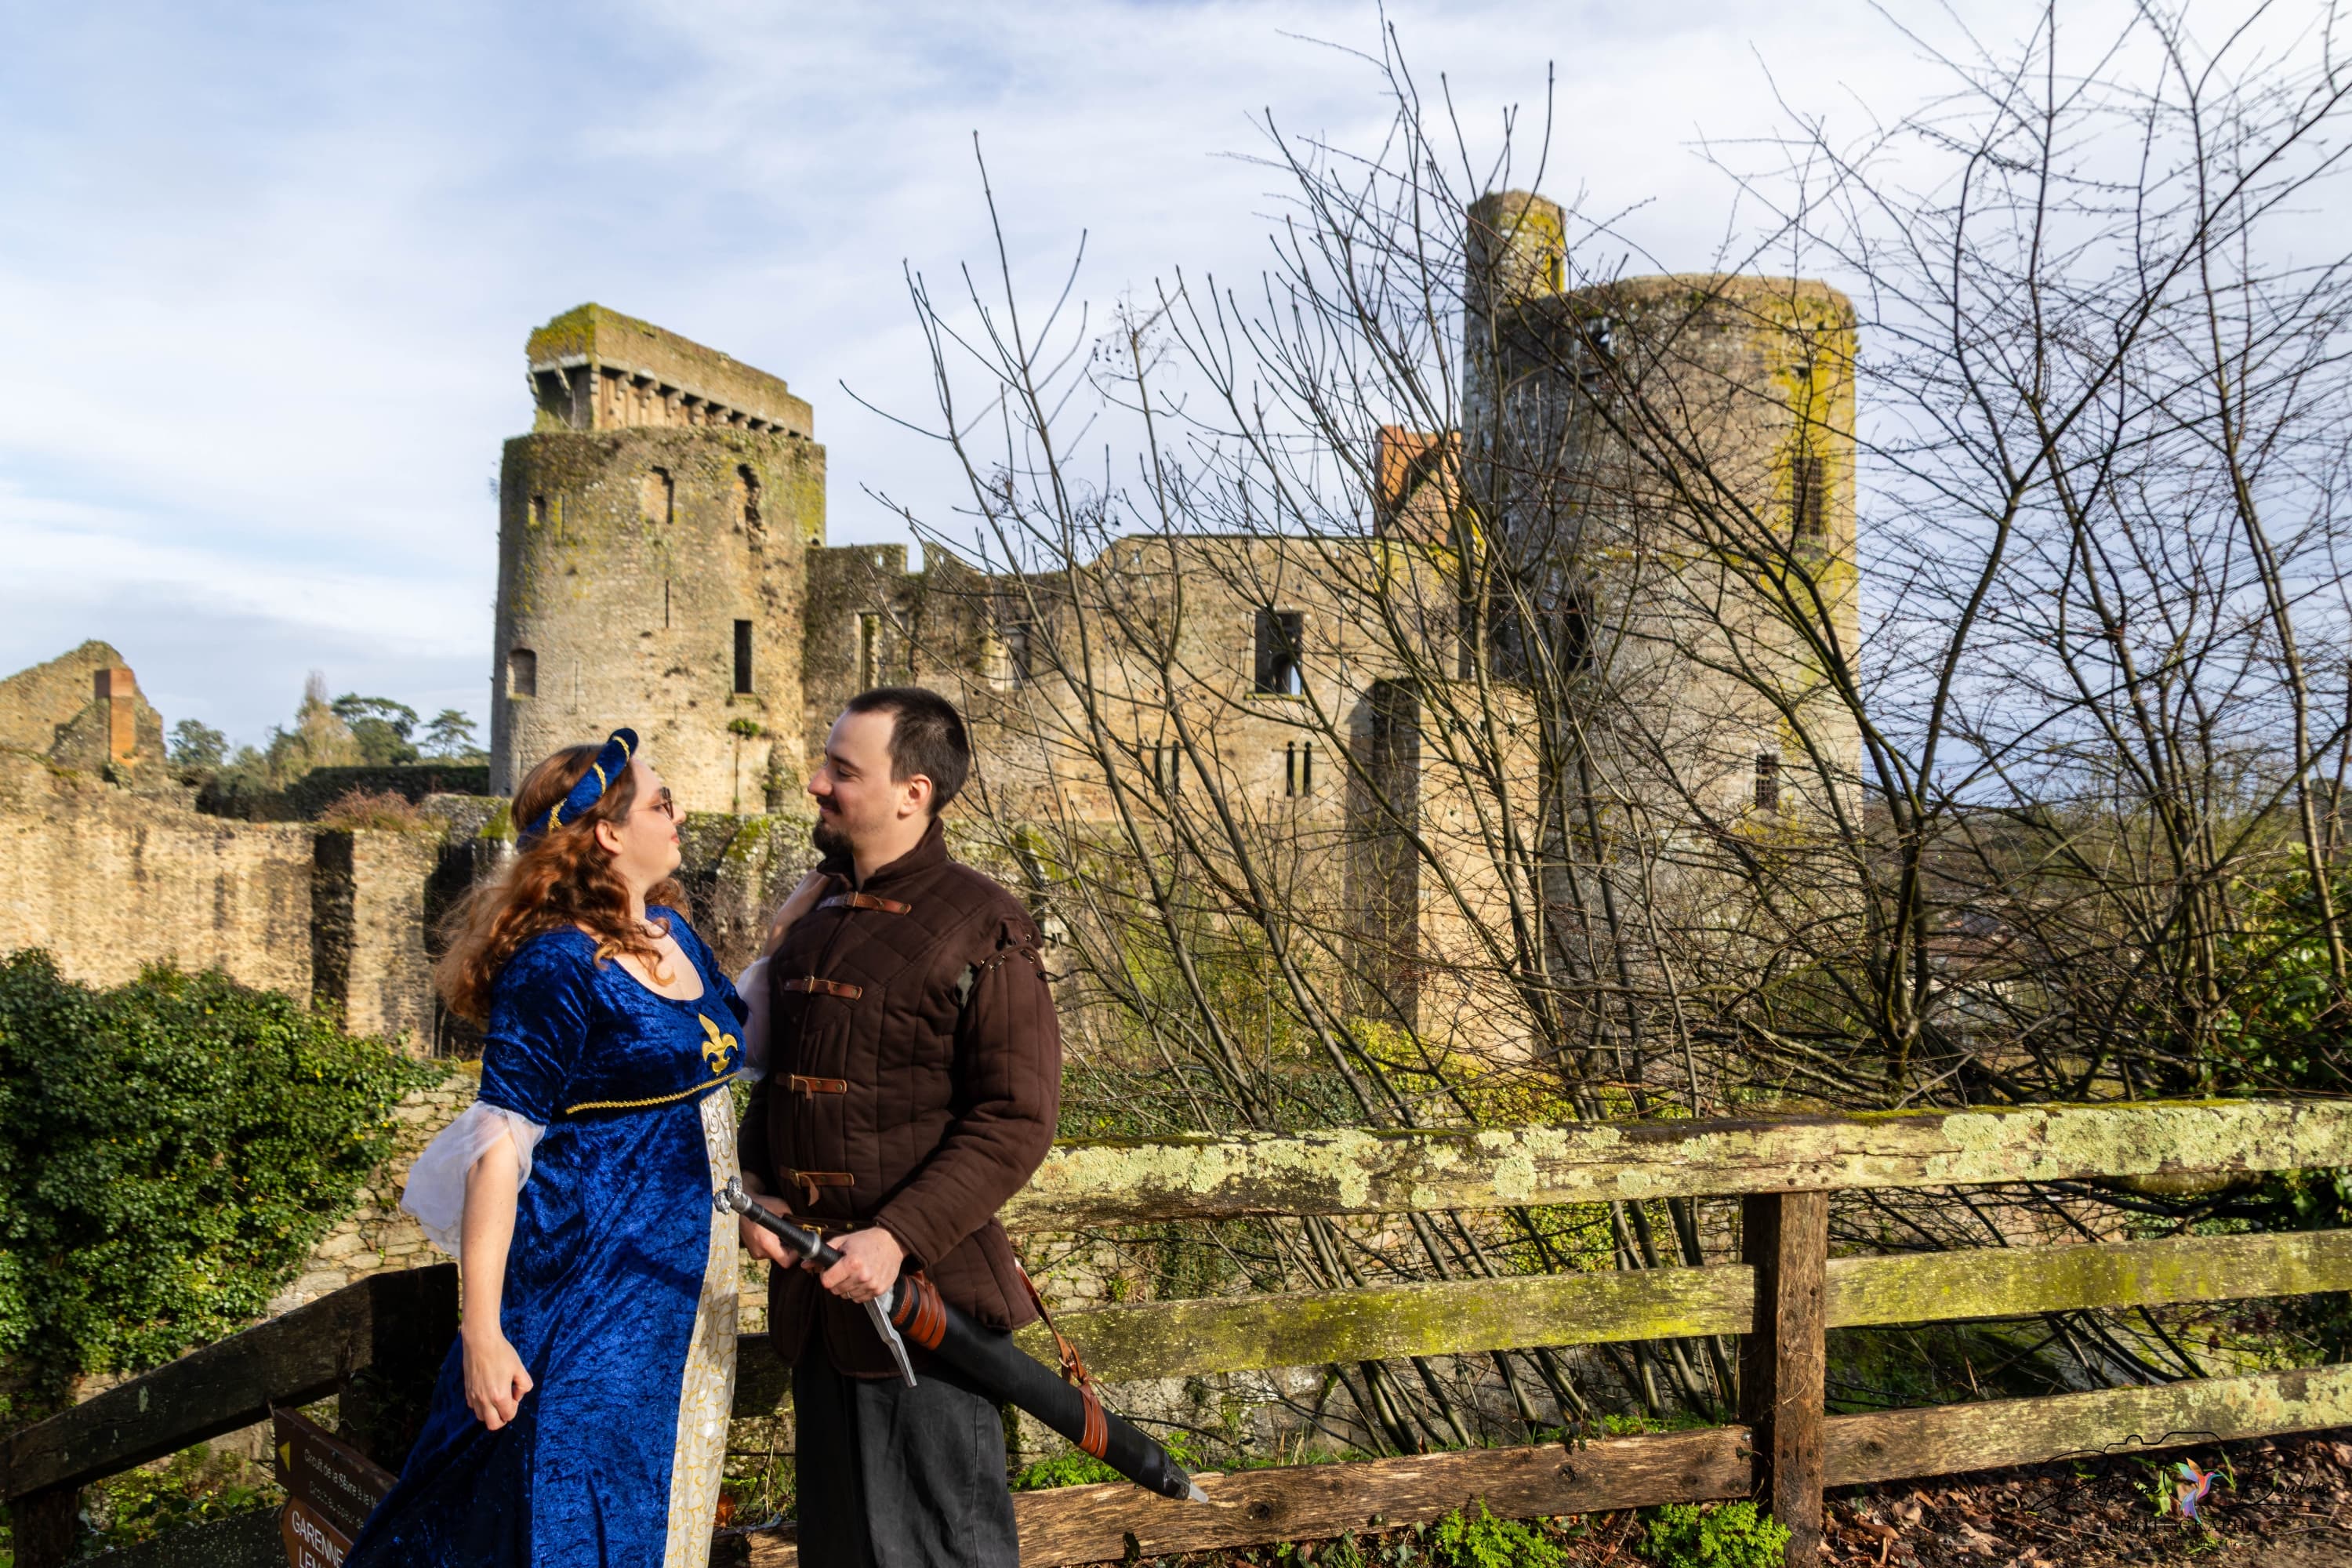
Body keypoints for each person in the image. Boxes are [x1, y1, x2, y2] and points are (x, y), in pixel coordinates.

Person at [347, 730, 748, 1568]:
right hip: (588, 1287)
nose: (679, 814)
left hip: (685, 1280)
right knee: (573, 1506)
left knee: (671, 1485)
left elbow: (729, 1038)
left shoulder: (672, 929)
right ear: (607, 831)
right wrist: (484, 1330)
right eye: (662, 802)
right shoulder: (557, 963)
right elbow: (501, 1145)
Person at [735, 688, 1061, 1568]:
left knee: (944, 1554)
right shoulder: (813, 923)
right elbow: (777, 1082)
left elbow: (1017, 1115)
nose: (817, 783)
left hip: (929, 1307)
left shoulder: (984, 922)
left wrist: (896, 1235)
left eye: (843, 769)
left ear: (912, 791)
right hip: (817, 1309)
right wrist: (759, 1187)